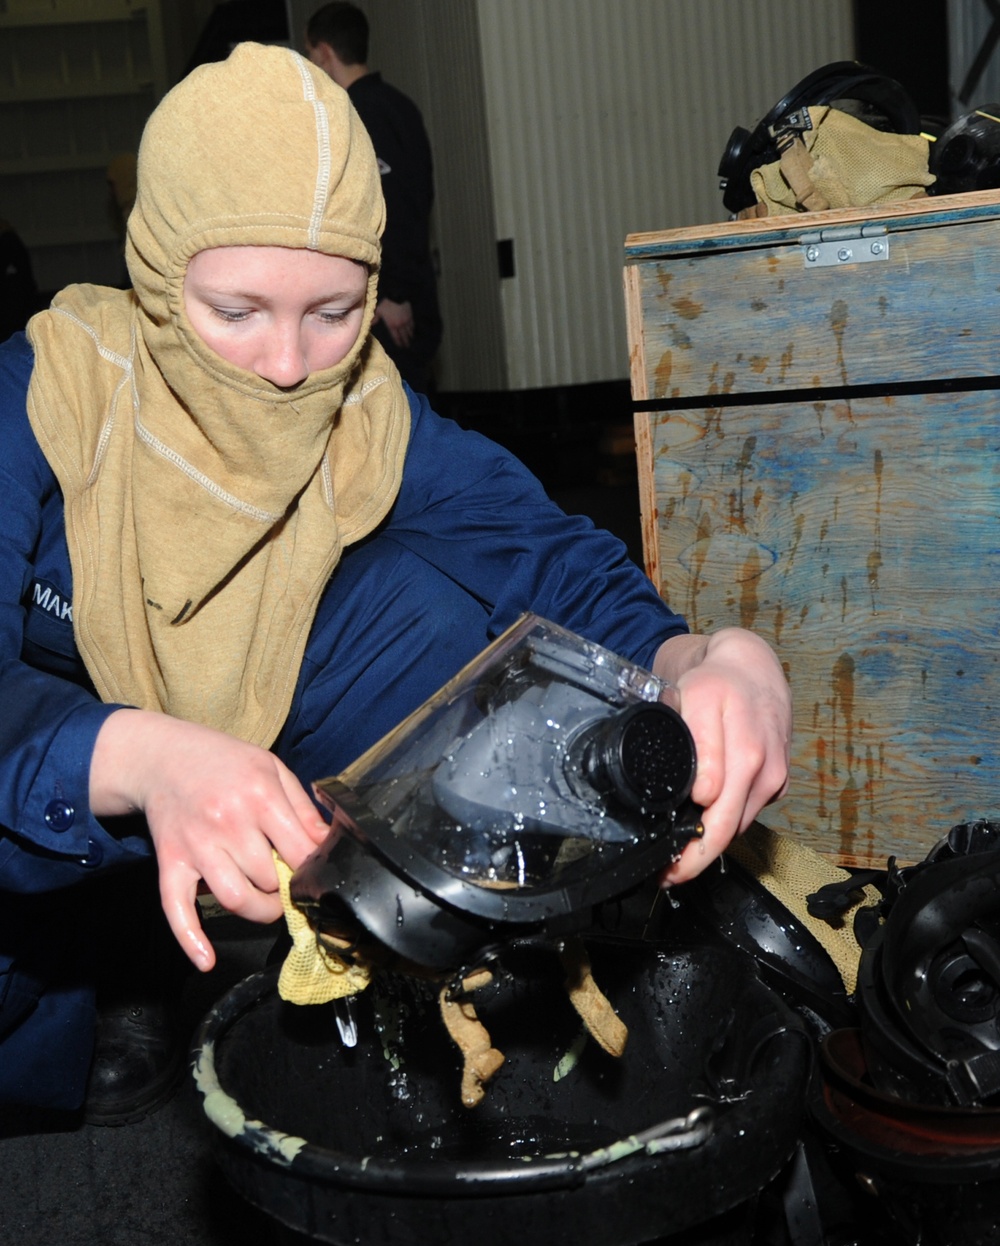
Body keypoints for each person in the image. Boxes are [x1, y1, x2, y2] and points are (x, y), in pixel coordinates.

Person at [0, 43, 790, 1125]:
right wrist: (132, 751)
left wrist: (707, 656)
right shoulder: (41, 401)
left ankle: (347, 947)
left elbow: (549, 556)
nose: (288, 364)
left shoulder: (368, 413)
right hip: (48, 812)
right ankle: (110, 958)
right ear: (154, 272)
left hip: (242, 753)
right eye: (236, 311)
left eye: (332, 311)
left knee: (438, 612)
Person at [305, 2, 443, 393]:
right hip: (413, 292)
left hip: (392, 308)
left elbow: (391, 206)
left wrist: (392, 295)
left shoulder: (357, 114)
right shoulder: (402, 106)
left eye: (310, 54)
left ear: (325, 53)